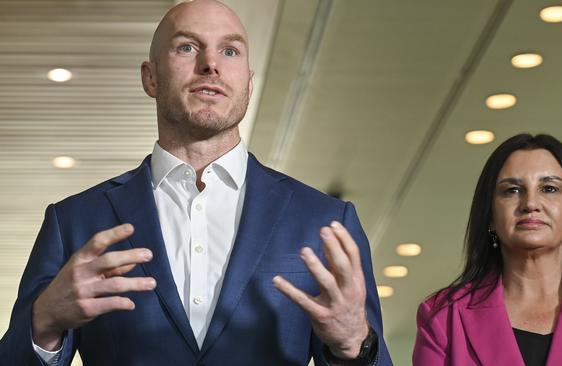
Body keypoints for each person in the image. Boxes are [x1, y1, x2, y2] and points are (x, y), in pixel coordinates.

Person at [0, 1, 392, 365]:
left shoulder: (325, 220)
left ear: (249, 83)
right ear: (150, 77)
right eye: (188, 48)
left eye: (230, 51)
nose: (211, 64)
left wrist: (354, 345)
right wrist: (43, 322)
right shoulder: (74, 221)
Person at [412, 133, 562, 366]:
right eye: (512, 190)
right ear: (491, 217)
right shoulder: (443, 317)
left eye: (549, 188)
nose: (531, 204)